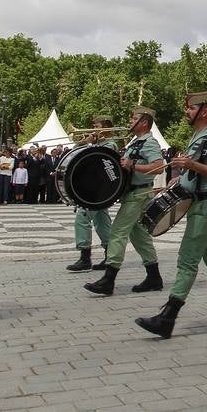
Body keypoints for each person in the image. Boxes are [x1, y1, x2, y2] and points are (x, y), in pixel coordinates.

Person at [136, 91, 207, 338]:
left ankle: (168, 317)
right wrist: (182, 177)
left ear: (203, 111)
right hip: (202, 205)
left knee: (187, 259)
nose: (186, 111)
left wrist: (191, 166)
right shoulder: (199, 136)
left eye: (189, 108)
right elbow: (199, 173)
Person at [85, 108, 166, 295]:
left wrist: (133, 165)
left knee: (117, 232)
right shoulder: (136, 142)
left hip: (139, 195)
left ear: (144, 123)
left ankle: (109, 279)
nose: (130, 121)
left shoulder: (149, 142)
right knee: (139, 236)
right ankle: (154, 277)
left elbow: (160, 167)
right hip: (134, 193)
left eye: (134, 118)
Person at [66, 117, 116, 272]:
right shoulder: (97, 144)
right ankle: (110, 256)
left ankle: (85, 257)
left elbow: (98, 162)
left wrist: (89, 144)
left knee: (82, 218)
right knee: (102, 222)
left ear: (106, 128)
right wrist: (83, 142)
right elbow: (76, 153)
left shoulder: (110, 144)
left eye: (97, 126)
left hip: (100, 190)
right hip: (97, 190)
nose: (93, 129)